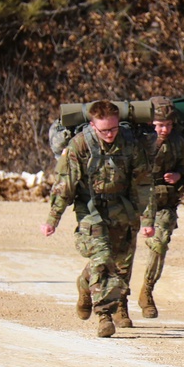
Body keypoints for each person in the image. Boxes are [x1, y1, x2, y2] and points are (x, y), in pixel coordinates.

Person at [40, 100, 156, 338]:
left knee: (119, 262)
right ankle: (104, 316)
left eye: (113, 129)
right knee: (102, 258)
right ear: (92, 126)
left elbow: (143, 182)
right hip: (90, 209)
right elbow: (65, 184)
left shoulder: (130, 143)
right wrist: (53, 218)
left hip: (121, 207)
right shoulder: (79, 145)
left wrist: (146, 218)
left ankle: (84, 284)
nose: (110, 134)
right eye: (104, 130)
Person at [137, 96, 184, 318]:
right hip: (138, 201)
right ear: (151, 123)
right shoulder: (138, 141)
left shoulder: (178, 142)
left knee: (159, 245)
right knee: (122, 251)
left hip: (165, 201)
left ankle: (147, 292)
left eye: (168, 125)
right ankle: (119, 301)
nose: (165, 129)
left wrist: (178, 175)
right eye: (160, 125)